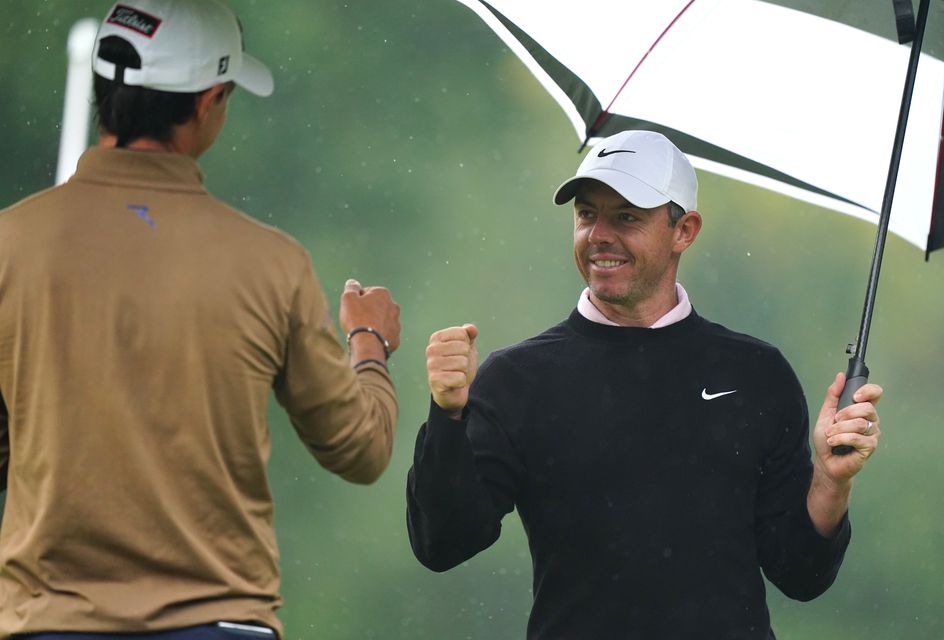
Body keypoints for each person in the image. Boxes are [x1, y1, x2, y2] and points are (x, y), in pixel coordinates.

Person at [0, 1, 399, 638]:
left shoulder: (11, 243)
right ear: (210, 99)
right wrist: (370, 341)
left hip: (50, 623)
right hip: (218, 625)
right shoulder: (271, 264)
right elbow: (360, 449)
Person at [407, 130, 883, 639]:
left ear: (685, 230)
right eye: (587, 214)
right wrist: (448, 414)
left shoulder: (756, 375)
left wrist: (832, 482)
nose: (599, 235)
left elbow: (800, 572)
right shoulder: (518, 379)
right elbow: (443, 543)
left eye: (626, 217)